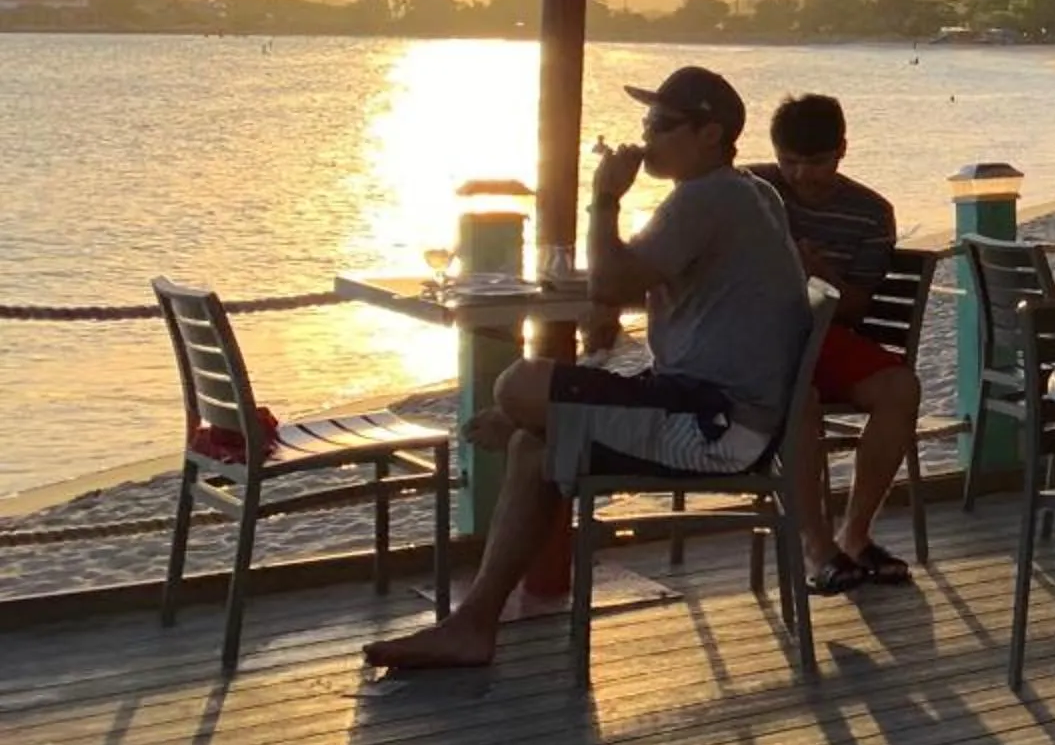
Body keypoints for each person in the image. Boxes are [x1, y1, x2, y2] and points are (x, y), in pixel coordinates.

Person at [365, 65, 811, 670]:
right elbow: (649, 280)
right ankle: (474, 625)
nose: (646, 133)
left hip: (714, 427)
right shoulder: (748, 193)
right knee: (532, 444)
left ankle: (476, 606)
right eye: (647, 120)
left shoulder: (708, 197)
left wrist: (604, 198)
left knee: (519, 384)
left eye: (662, 123)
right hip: (719, 411)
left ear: (710, 134)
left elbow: (607, 283)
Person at [746, 93, 924, 594]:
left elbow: (856, 307)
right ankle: (817, 546)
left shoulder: (870, 212)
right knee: (799, 399)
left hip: (827, 333)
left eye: (817, 162)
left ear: (842, 149)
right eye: (790, 162)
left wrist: (821, 273)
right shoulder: (750, 191)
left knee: (900, 389)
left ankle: (856, 532)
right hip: (757, 340)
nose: (802, 175)